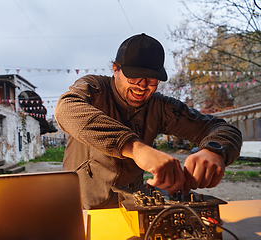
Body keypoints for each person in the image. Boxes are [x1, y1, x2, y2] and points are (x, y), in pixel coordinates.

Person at [54, 33, 242, 210]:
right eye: (135, 76)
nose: (143, 86)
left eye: (152, 80)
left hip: (133, 208)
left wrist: (214, 150)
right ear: (115, 69)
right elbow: (65, 108)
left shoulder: (160, 107)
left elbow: (221, 128)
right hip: (81, 209)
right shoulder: (94, 89)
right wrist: (136, 149)